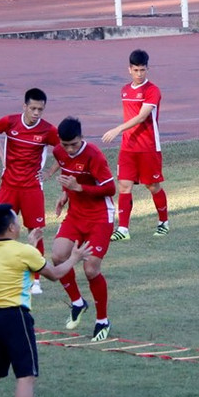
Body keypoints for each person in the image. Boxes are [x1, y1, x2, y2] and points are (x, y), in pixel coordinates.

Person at [0, 204, 90, 397]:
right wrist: (74, 257)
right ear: (11, 227)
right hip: (15, 317)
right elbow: (55, 274)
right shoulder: (24, 252)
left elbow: (15, 259)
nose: (19, 224)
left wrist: (30, 245)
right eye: (16, 221)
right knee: (26, 376)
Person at [0, 88, 60, 297]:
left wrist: (49, 172)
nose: (36, 113)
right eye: (32, 108)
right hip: (9, 186)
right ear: (24, 106)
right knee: (0, 230)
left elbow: (64, 148)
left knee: (35, 231)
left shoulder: (48, 130)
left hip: (32, 188)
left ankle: (35, 281)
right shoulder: (10, 122)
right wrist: (2, 157)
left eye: (40, 109)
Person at [51, 117, 116, 342]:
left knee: (91, 269)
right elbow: (68, 177)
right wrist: (64, 194)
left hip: (100, 217)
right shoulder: (58, 152)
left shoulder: (94, 155)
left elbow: (110, 188)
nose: (69, 149)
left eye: (74, 144)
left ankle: (102, 320)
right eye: (65, 144)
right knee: (58, 256)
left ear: (82, 138)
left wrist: (79, 188)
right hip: (76, 215)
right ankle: (78, 302)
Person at [102, 49, 169, 241]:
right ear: (129, 69)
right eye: (136, 70)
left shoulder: (152, 91)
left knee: (152, 186)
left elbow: (141, 117)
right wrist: (123, 133)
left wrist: (118, 129)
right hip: (128, 147)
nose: (139, 74)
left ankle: (163, 223)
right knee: (124, 186)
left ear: (148, 69)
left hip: (148, 147)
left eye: (143, 70)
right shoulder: (125, 90)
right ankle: (123, 229)